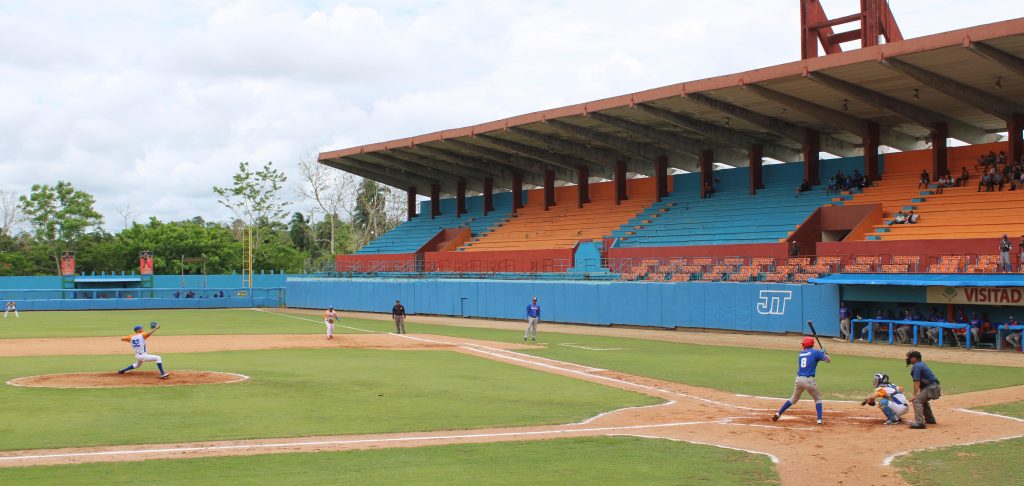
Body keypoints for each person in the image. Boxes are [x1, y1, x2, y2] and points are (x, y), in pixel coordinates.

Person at [772, 336, 831, 424]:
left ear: (805, 344)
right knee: (817, 398)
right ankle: (819, 419)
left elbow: (811, 358)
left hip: (799, 380)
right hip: (809, 380)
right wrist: (824, 353)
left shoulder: (801, 353)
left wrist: (820, 354)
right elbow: (828, 360)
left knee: (793, 399)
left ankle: (778, 413)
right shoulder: (816, 352)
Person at [906, 350, 940, 429]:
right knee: (922, 401)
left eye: (910, 357)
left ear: (914, 358)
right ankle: (930, 419)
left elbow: (917, 381)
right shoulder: (921, 364)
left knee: (916, 400)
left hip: (931, 388)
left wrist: (915, 395)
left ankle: (920, 423)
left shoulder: (917, 366)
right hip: (934, 387)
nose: (909, 359)